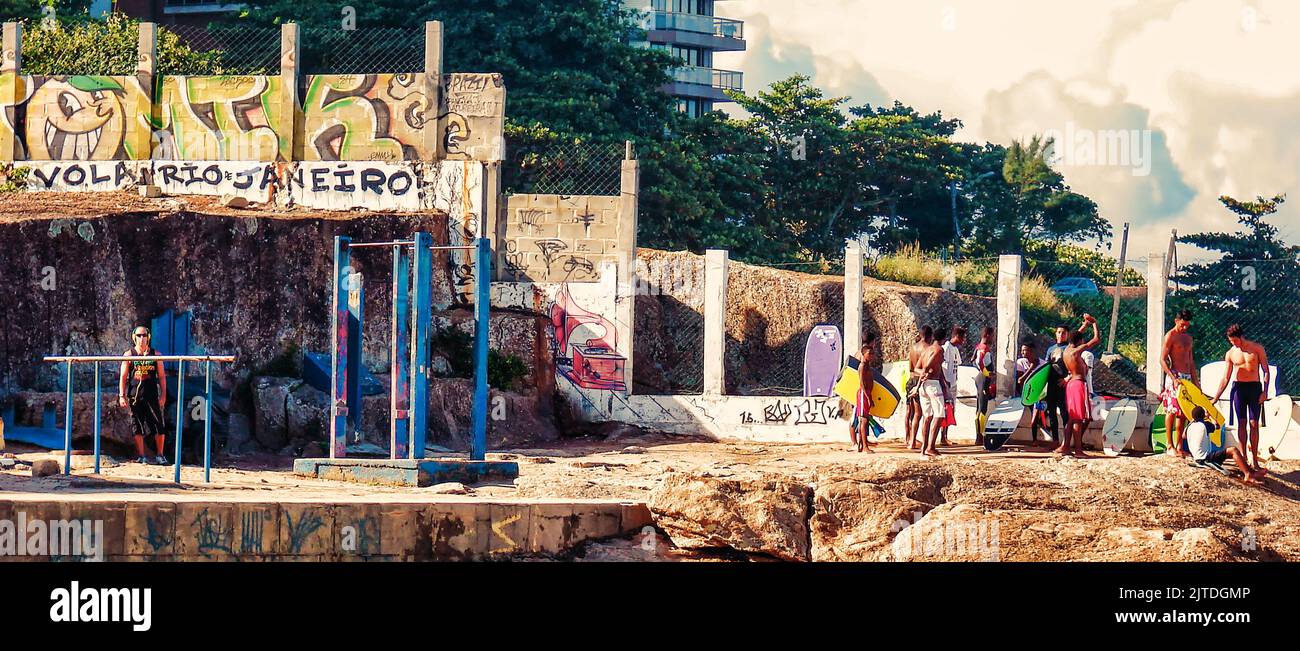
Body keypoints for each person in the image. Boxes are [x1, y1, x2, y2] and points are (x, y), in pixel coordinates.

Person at [1212, 324, 1270, 474]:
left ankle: (1254, 460)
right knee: (1242, 423)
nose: (1234, 344)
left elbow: (1265, 370)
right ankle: (1243, 458)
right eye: (1231, 341)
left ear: (1241, 337)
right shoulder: (1231, 353)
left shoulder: (1257, 348)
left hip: (1254, 388)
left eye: (1235, 341)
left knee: (1254, 423)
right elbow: (1226, 377)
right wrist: (1216, 397)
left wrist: (1265, 391)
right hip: (1239, 389)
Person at [118, 326, 168, 465]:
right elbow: (123, 376)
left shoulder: (155, 354)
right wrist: (121, 395)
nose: (142, 338)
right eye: (139, 335)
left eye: (144, 335)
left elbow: (162, 376)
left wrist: (163, 395)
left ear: (148, 337)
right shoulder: (129, 354)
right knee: (137, 426)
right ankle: (142, 456)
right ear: (134, 337)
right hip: (135, 395)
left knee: (158, 425)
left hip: (151, 394)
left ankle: (160, 455)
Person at [1186, 406, 1264, 484]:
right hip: (1205, 458)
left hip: (1197, 457)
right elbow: (1217, 426)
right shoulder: (1205, 425)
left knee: (1232, 455)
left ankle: (1251, 472)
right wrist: (1209, 416)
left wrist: (1193, 420)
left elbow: (1183, 436)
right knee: (1234, 450)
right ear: (1203, 415)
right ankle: (1248, 475)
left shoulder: (1189, 427)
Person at [1059, 314, 1100, 457]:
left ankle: (1065, 447)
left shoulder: (1066, 351)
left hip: (1070, 385)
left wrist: (1085, 325)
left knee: (1071, 419)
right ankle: (1078, 450)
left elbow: (1074, 337)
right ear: (1079, 341)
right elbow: (1096, 340)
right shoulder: (1077, 352)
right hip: (1078, 384)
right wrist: (1094, 323)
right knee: (1078, 418)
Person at [1160, 310, 1198, 458]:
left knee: (1184, 413)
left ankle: (1179, 445)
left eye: (1187, 325)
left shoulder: (1188, 338)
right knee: (1171, 410)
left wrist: (1196, 383)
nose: (1184, 328)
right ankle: (1169, 445)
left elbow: (1191, 361)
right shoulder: (1170, 336)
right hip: (1174, 376)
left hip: (1187, 377)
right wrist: (1172, 377)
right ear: (1177, 321)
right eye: (1182, 325)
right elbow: (1162, 360)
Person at [916, 328, 946, 459]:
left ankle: (924, 448)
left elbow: (916, 368)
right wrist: (927, 370)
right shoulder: (938, 350)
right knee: (939, 415)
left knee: (927, 416)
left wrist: (922, 373)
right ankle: (931, 447)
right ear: (943, 339)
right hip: (933, 384)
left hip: (924, 385)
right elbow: (928, 365)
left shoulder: (926, 349)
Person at [1043, 325, 1072, 449]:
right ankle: (1055, 440)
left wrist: (1066, 379)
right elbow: (1045, 368)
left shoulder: (1069, 349)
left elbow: (1074, 367)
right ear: (1055, 334)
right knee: (1052, 413)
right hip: (1051, 385)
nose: (1061, 335)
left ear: (1068, 335)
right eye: (1059, 332)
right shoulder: (1051, 349)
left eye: (1064, 333)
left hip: (1063, 386)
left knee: (1065, 413)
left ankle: (1066, 442)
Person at [1016, 341, 1049, 445]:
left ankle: (1041, 427)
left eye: (1024, 350)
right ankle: (1035, 438)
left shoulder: (1043, 364)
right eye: (1021, 350)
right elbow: (1020, 380)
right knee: (1034, 413)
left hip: (1041, 393)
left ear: (1032, 351)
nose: (1022, 353)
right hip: (1027, 393)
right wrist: (1030, 368)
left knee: (1040, 410)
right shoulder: (1021, 362)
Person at [849, 337, 877, 454]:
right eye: (869, 354)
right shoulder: (862, 366)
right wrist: (867, 397)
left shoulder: (867, 366)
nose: (871, 356)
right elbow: (862, 383)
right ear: (863, 354)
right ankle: (864, 446)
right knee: (863, 421)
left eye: (872, 354)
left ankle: (862, 445)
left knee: (864, 420)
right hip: (863, 395)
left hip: (866, 395)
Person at [939, 327, 966, 446]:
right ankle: (942, 437)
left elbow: (956, 365)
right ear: (957, 336)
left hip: (953, 383)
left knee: (950, 411)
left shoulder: (955, 349)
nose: (963, 341)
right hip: (947, 384)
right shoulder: (946, 348)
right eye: (962, 338)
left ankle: (945, 436)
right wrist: (945, 382)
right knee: (945, 410)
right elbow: (942, 366)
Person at [904, 328, 930, 450]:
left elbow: (911, 367)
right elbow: (925, 369)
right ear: (930, 336)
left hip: (911, 379)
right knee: (923, 414)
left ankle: (911, 441)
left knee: (914, 414)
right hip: (921, 381)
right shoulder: (928, 349)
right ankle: (925, 443)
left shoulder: (913, 348)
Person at [973, 327, 995, 446]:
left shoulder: (978, 346)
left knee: (982, 408)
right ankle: (979, 436)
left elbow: (973, 360)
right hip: (983, 379)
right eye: (992, 335)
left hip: (982, 378)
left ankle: (980, 434)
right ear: (987, 335)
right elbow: (979, 362)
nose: (993, 337)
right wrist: (987, 373)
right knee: (981, 409)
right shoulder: (983, 348)